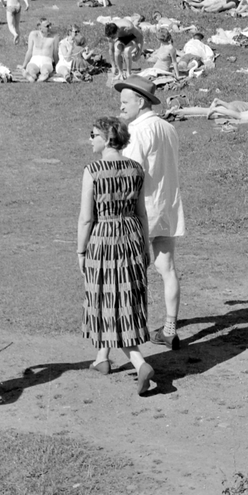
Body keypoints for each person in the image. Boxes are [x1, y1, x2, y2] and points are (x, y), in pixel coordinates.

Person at [78, 116, 155, 394]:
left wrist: (80, 249)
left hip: (104, 239)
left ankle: (138, 362)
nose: (90, 139)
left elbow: (87, 218)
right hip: (132, 237)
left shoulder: (93, 170)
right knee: (122, 297)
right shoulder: (136, 169)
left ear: (107, 138)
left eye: (93, 134)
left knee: (107, 296)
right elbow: (142, 213)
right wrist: (145, 247)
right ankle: (102, 358)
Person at [115, 76, 185, 349]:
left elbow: (130, 174)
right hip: (167, 206)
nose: (121, 107)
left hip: (144, 210)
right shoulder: (167, 128)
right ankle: (170, 328)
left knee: (136, 272)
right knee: (167, 269)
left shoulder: (138, 132)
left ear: (140, 101)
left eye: (125, 102)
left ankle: (137, 327)